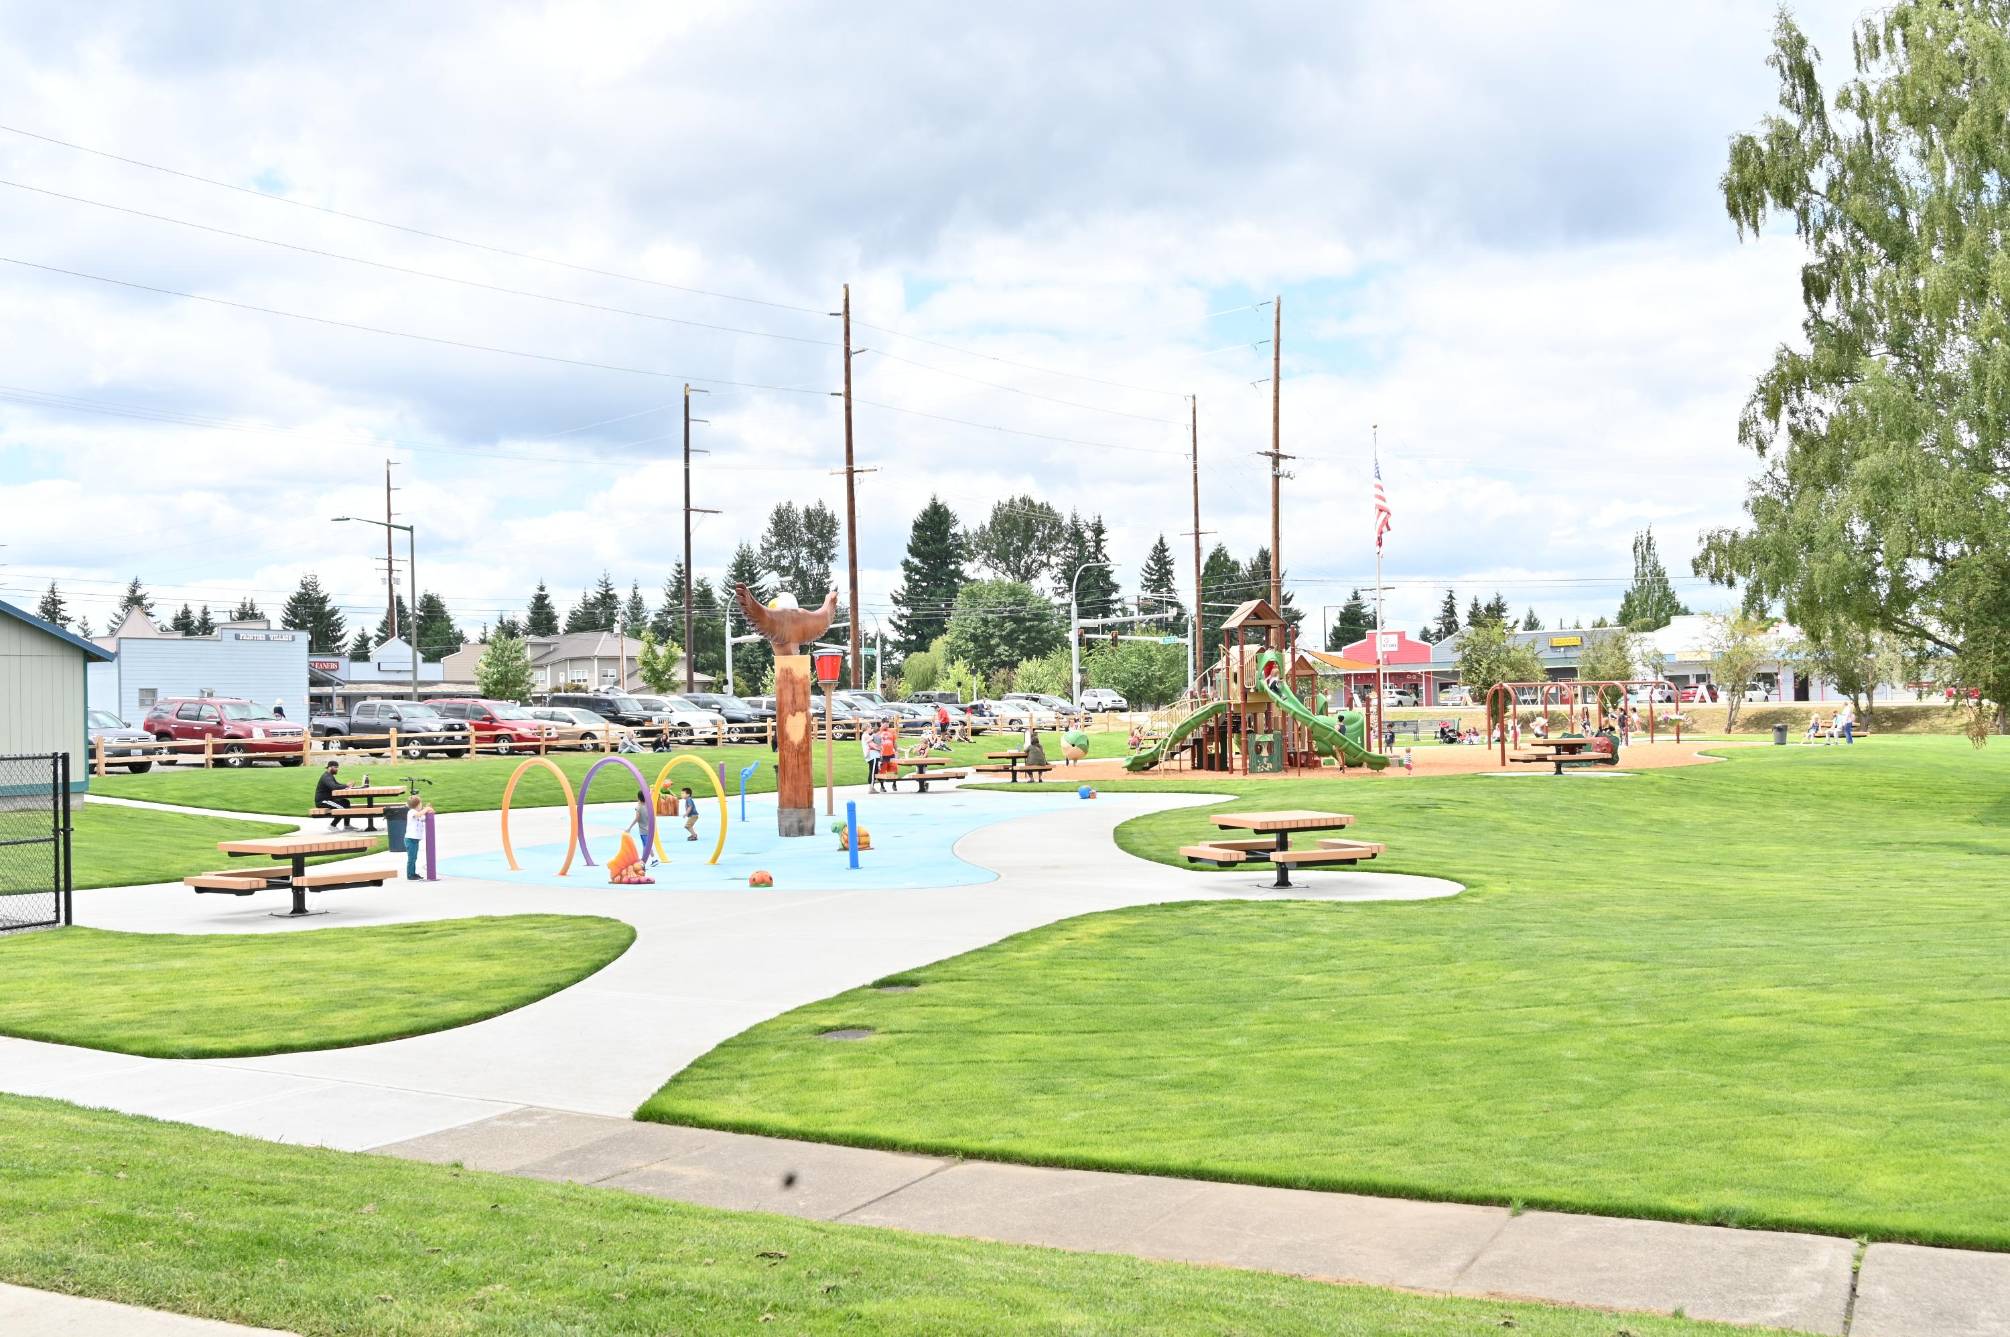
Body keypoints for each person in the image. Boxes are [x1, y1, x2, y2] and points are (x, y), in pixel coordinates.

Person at [314, 759, 352, 828]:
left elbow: (337, 784)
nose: (337, 769)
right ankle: (332, 825)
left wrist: (347, 786)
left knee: (346, 802)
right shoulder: (326, 777)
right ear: (329, 767)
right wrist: (346, 785)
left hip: (329, 800)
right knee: (342, 808)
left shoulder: (330, 776)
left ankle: (347, 825)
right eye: (335, 767)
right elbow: (334, 787)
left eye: (337, 767)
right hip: (323, 801)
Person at [404, 793, 432, 880]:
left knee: (414, 857)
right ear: (417, 805)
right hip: (410, 839)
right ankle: (410, 875)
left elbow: (424, 818)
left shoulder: (418, 813)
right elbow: (418, 815)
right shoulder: (411, 812)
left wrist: (429, 811)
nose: (422, 805)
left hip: (415, 840)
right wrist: (426, 809)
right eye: (421, 804)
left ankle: (413, 873)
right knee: (412, 858)